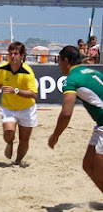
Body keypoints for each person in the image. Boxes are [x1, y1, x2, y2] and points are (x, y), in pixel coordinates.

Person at [48, 45, 103, 194]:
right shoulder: (92, 71)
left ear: (65, 60)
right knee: (88, 165)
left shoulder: (71, 80)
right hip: (100, 125)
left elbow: (66, 113)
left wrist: (55, 136)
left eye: (59, 61)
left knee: (99, 172)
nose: (58, 65)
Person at [0, 41, 38, 165]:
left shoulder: (27, 72)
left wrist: (16, 91)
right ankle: (9, 143)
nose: (13, 56)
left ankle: (18, 161)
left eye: (16, 54)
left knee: (24, 140)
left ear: (22, 55)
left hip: (27, 109)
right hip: (8, 107)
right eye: (11, 53)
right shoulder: (2, 68)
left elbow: (34, 94)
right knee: (8, 133)